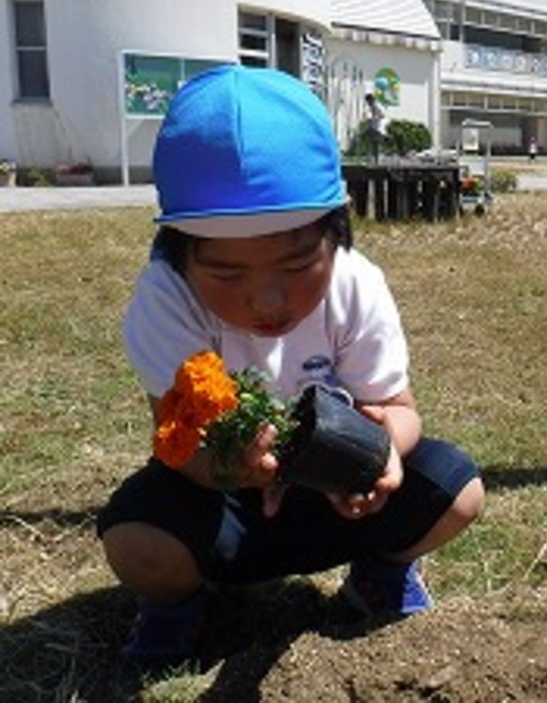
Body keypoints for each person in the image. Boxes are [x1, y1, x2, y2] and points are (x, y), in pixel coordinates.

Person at [97, 65, 485, 669]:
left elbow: (400, 411)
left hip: (339, 489)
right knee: (134, 539)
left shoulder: (357, 285)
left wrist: (380, 456)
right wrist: (234, 465)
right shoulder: (165, 297)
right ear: (178, 251)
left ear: (338, 229)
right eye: (227, 274)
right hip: (225, 497)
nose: (268, 302)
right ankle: (180, 603)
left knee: (456, 488)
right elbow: (178, 446)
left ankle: (378, 574)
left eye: (299, 264)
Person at [363, 92, 387, 163]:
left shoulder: (377, 105)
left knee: (376, 144)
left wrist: (373, 118)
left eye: (368, 101)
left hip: (378, 128)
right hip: (374, 127)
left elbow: (382, 115)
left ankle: (377, 160)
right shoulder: (372, 106)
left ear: (371, 100)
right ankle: (372, 159)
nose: (368, 103)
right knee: (371, 141)